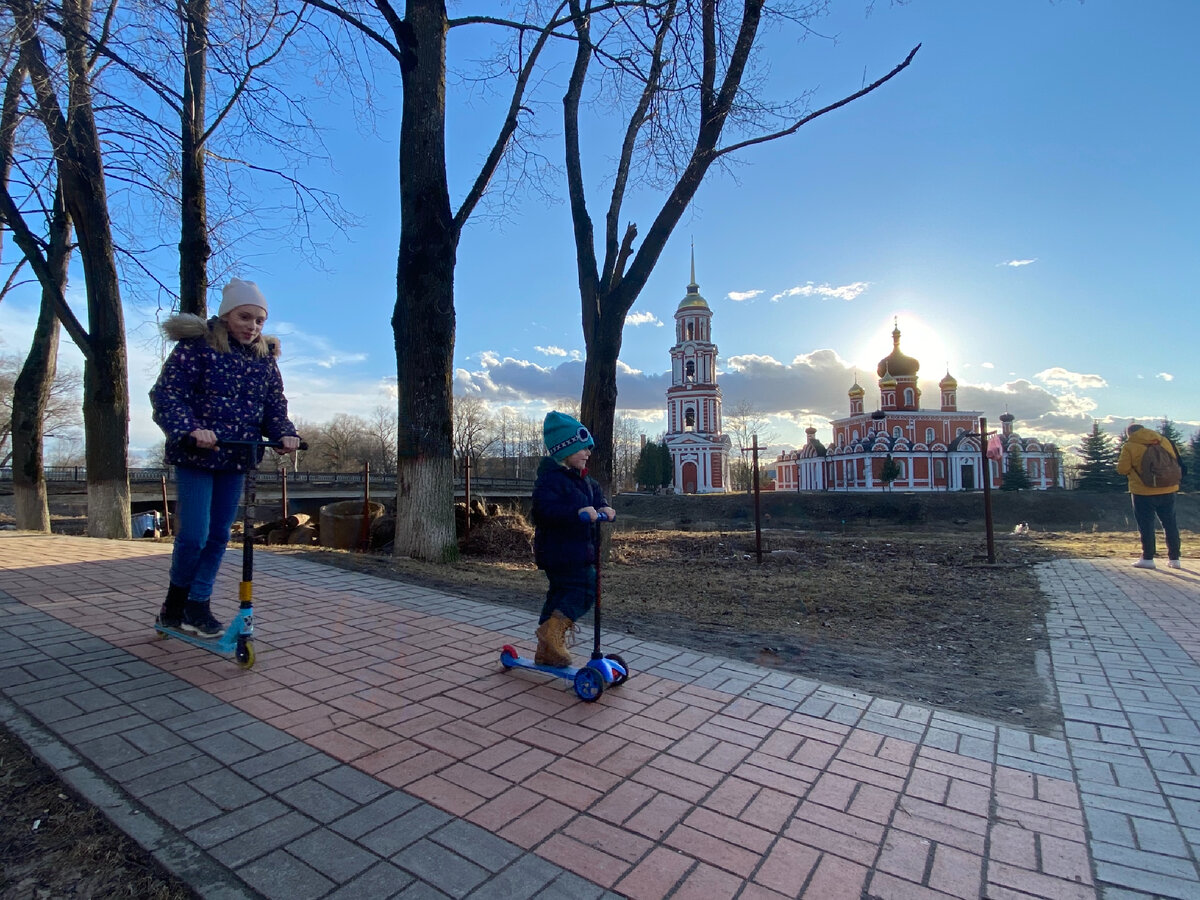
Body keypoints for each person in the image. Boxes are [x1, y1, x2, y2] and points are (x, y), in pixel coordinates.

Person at [150, 279, 300, 636]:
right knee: (195, 536)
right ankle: (174, 604)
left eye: (259, 321)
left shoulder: (264, 361)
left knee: (219, 536)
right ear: (227, 315)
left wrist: (284, 433)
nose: (253, 326)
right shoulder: (196, 348)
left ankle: (197, 605)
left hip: (236, 458)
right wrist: (191, 429)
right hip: (198, 456)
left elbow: (274, 406)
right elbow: (167, 395)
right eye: (245, 317)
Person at [531, 411, 616, 667]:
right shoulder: (550, 480)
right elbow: (542, 512)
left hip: (579, 551)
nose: (588, 453)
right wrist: (575, 513)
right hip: (559, 552)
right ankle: (551, 635)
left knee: (560, 594)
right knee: (586, 588)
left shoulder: (587, 482)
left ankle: (546, 649)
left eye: (588, 449)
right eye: (582, 449)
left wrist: (604, 508)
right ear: (563, 450)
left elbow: (596, 501)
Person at [1116, 423, 1182, 570]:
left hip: (1142, 492)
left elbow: (1122, 469)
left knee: (1146, 525)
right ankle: (1175, 559)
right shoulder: (1164, 441)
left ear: (1130, 434)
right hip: (1168, 488)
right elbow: (1177, 460)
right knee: (1170, 524)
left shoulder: (1130, 445)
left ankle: (1148, 558)